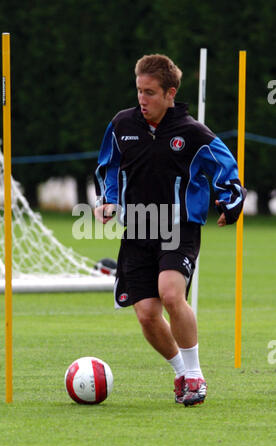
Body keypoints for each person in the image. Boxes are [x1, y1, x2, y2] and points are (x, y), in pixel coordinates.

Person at [94, 54, 246, 406]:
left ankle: (196, 376)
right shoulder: (121, 125)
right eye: (139, 92)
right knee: (147, 314)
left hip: (179, 227)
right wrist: (109, 200)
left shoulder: (192, 133)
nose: (142, 100)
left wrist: (230, 202)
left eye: (150, 93)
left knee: (172, 294)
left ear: (170, 93)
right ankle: (181, 372)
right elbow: (108, 167)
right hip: (137, 229)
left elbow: (224, 167)